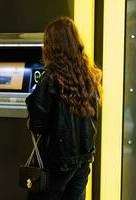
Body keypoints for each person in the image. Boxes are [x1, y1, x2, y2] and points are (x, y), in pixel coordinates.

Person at [26, 16, 102, 200]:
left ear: (51, 47)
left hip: (57, 162)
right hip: (83, 160)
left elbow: (37, 124)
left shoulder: (50, 80)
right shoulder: (89, 77)